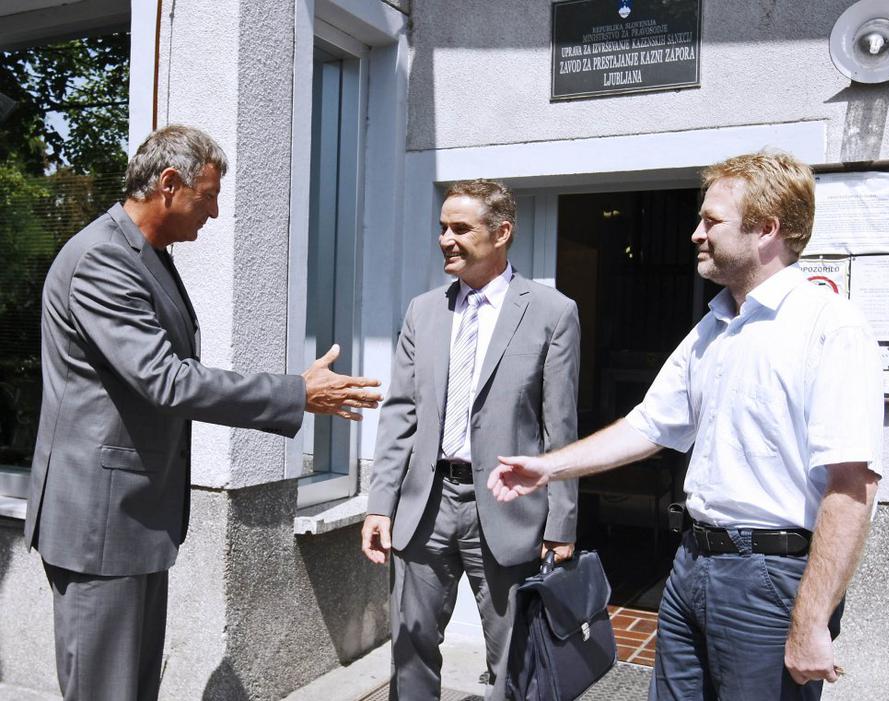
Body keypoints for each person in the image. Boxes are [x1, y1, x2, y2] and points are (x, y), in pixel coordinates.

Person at [488, 152, 884, 700]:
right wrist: (548, 467)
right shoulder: (714, 326)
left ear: (767, 229)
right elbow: (649, 425)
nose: (696, 233)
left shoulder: (830, 326)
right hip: (692, 563)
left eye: (712, 221)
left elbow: (852, 487)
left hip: (770, 579)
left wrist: (813, 619)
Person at [23, 124, 382, 701]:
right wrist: (294, 393)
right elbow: (165, 379)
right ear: (168, 184)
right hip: (99, 527)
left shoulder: (146, 255)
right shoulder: (101, 259)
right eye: (208, 196)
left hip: (131, 520)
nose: (214, 213)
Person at [361, 179, 580, 699]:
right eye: (442, 228)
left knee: (514, 660)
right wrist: (380, 504)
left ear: (501, 233)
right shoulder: (423, 310)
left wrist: (561, 522)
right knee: (410, 650)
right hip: (425, 507)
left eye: (460, 228)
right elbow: (401, 414)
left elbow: (560, 429)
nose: (445, 239)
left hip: (508, 510)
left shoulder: (551, 312)